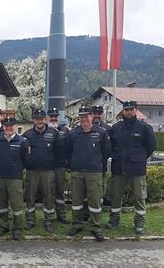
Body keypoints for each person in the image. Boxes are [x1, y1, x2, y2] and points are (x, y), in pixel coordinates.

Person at [106, 101, 156, 235]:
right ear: (123, 111)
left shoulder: (144, 128)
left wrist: (140, 157)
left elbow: (150, 146)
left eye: (131, 109)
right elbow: (111, 146)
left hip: (137, 169)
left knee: (139, 197)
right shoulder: (116, 128)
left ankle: (139, 222)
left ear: (136, 110)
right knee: (116, 196)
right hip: (119, 168)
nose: (128, 112)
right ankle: (114, 219)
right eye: (126, 109)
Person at [66, 106, 110, 242]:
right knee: (77, 201)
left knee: (95, 201)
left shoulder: (102, 133)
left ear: (91, 117)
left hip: (94, 172)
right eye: (81, 116)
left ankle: (95, 227)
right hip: (77, 172)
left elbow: (106, 152)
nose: (84, 119)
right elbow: (68, 151)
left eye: (86, 116)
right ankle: (77, 224)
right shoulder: (73, 133)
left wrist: (97, 164)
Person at [23, 109, 58, 232]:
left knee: (48, 196)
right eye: (37, 119)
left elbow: (58, 151)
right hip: (32, 171)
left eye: (41, 119)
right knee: (30, 197)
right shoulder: (27, 134)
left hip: (48, 171)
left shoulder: (54, 133)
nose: (39, 121)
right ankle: (30, 220)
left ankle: (48, 220)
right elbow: (23, 153)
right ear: (34, 120)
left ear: (45, 119)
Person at [0, 117, 28, 240]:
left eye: (11, 126)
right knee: (1, 204)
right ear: (3, 127)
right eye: (6, 126)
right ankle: (3, 226)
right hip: (1, 177)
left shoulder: (22, 141)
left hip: (15, 178)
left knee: (16, 205)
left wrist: (17, 169)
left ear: (15, 126)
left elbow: (25, 159)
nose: (9, 128)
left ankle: (17, 228)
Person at [47, 107, 69, 224]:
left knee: (60, 191)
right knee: (49, 192)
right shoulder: (44, 130)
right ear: (48, 118)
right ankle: (49, 216)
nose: (53, 118)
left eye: (55, 116)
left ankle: (61, 214)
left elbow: (69, 147)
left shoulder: (65, 131)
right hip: (47, 167)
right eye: (51, 116)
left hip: (60, 166)